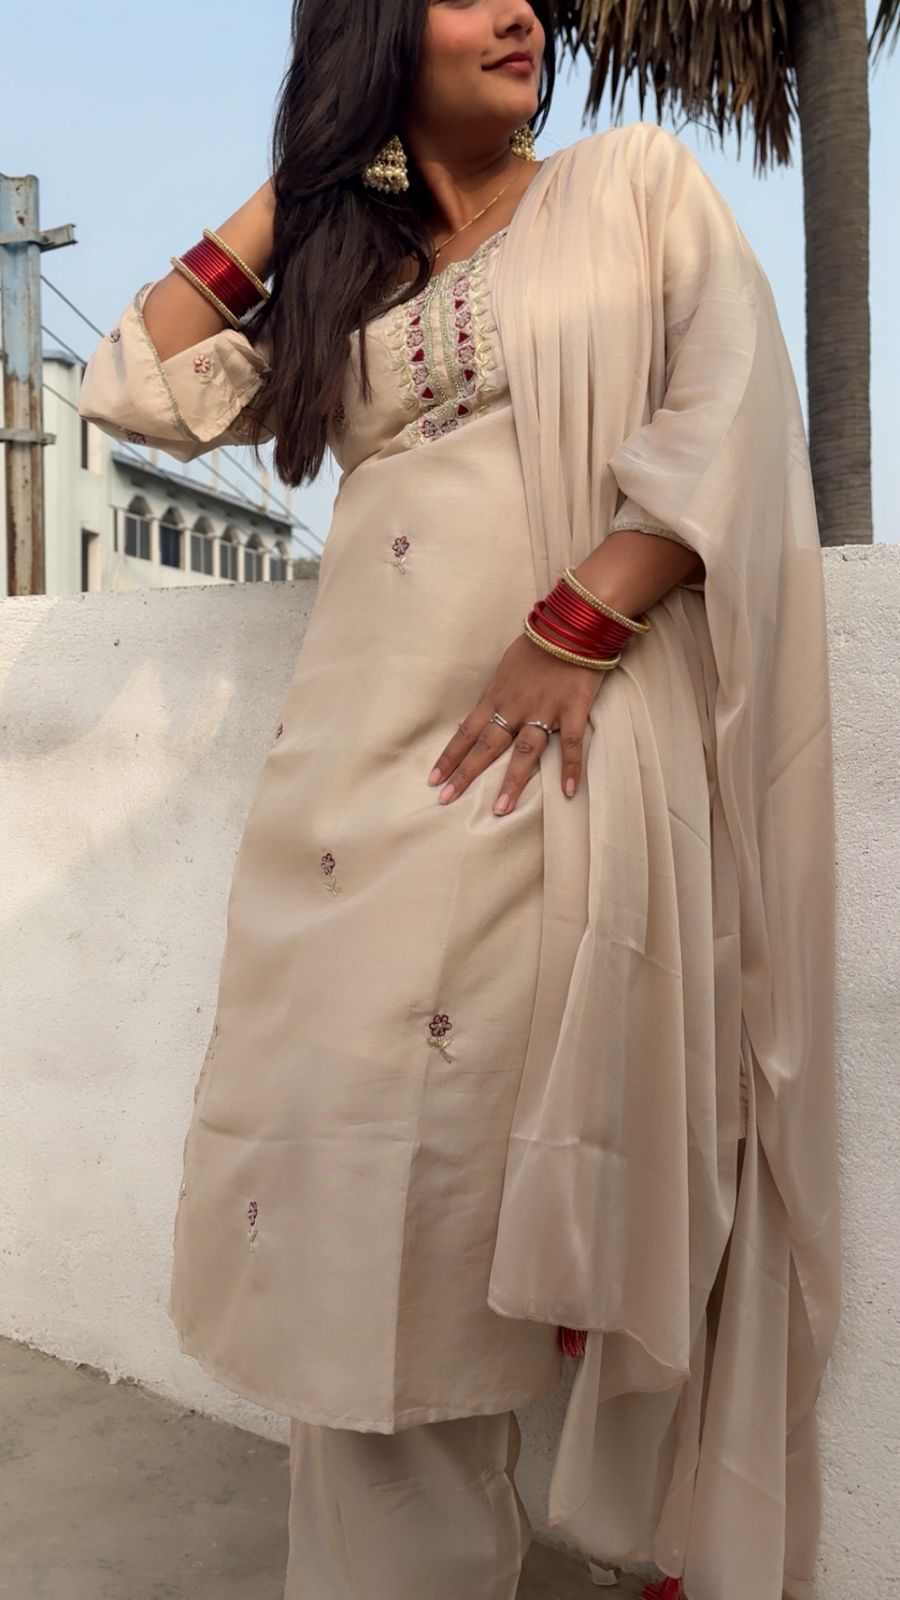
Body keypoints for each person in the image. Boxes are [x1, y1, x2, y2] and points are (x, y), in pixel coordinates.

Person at [77, 2, 842, 1597]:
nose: (519, 12)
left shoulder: (632, 185)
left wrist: (579, 621)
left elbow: (728, 408)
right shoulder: (351, 277)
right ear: (371, 36)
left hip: (527, 774)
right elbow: (135, 391)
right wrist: (307, 180)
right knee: (338, 1215)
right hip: (344, 797)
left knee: (429, 1217)